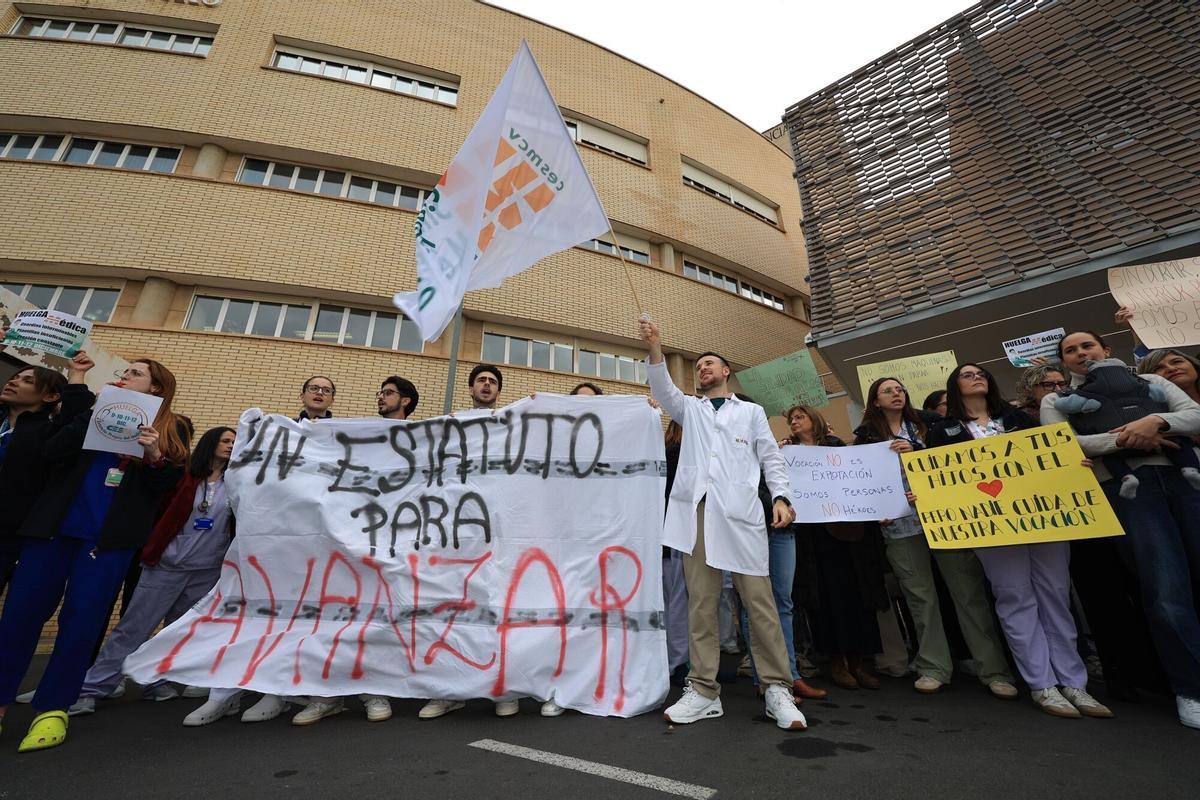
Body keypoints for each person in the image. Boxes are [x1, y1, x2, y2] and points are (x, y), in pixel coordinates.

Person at [0, 353, 189, 751]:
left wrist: (153, 456)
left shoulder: (167, 434)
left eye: (135, 374)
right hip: (52, 532)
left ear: (156, 389)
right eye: (123, 373)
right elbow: (49, 453)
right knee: (18, 617)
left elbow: (167, 489)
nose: (124, 377)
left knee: (81, 624)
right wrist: (93, 414)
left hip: (106, 543)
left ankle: (54, 708)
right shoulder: (87, 414)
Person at [639, 317, 807, 730]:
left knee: (760, 602)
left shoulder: (750, 412)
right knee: (701, 603)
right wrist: (656, 347)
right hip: (696, 510)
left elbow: (771, 458)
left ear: (726, 371)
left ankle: (776, 689)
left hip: (742, 513)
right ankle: (703, 690)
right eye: (698, 366)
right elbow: (663, 390)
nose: (703, 369)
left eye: (710, 363)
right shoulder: (690, 409)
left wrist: (782, 496)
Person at [929, 363, 1111, 719]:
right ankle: (1041, 683)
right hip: (992, 529)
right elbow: (937, 478)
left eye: (980, 373)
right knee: (1015, 597)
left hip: (1044, 521)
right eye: (967, 375)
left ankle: (1075, 682)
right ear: (954, 387)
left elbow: (1052, 456)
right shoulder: (942, 431)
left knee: (1055, 595)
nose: (977, 377)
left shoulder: (1019, 420)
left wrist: (1075, 466)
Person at [1045, 331, 1200, 730]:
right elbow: (1064, 443)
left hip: (1187, 483)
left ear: (1105, 351)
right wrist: (1127, 437)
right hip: (1127, 492)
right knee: (1165, 589)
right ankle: (1191, 688)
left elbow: (1194, 413)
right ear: (1065, 362)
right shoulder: (1057, 400)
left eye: (1087, 346)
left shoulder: (1152, 382)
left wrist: (1156, 419)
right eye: (1071, 351)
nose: (1081, 353)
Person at [855, 376, 1018, 700]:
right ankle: (933, 667)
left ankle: (994, 670)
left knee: (967, 594)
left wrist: (916, 450)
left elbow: (953, 461)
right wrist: (877, 507)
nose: (896, 393)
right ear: (875, 401)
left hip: (945, 520)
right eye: (887, 391)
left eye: (900, 388)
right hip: (900, 526)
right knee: (920, 598)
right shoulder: (865, 438)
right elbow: (863, 481)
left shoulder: (933, 424)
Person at [74, 427, 237, 715]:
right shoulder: (184, 476)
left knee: (177, 632)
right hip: (167, 565)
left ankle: (155, 682)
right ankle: (94, 687)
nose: (231, 445)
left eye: (235, 442)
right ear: (210, 443)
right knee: (134, 628)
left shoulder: (236, 484)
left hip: (206, 571)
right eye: (225, 440)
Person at [418, 364, 529, 719]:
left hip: (498, 533)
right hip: (457, 536)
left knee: (497, 607)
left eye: (492, 382)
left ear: (499, 391)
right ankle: (449, 691)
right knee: (452, 609)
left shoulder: (511, 426)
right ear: (470, 388)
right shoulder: (451, 427)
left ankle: (503, 690)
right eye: (481, 380)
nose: (486, 385)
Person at [291, 375, 396, 726]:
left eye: (327, 390)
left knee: (366, 620)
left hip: (360, 540)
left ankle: (372, 690)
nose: (320, 394)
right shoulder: (287, 433)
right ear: (303, 394)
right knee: (320, 622)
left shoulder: (344, 434)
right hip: (312, 542)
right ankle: (324, 696)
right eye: (314, 388)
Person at [784, 405, 887, 691]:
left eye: (799, 417)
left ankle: (859, 661)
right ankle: (836, 661)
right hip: (812, 538)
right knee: (826, 599)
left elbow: (856, 479)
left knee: (854, 596)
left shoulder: (835, 446)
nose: (794, 421)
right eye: (791, 419)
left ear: (814, 420)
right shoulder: (788, 452)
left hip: (847, 534)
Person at [736, 400, 829, 703]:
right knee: (755, 605)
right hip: (751, 530)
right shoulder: (730, 446)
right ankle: (765, 677)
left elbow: (785, 482)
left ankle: (790, 675)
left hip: (783, 530)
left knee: (783, 604)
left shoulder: (775, 449)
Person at [0, 365, 67, 594]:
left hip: (8, 534)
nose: (13, 382)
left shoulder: (48, 435)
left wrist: (77, 374)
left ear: (51, 396)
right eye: (15, 377)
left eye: (27, 381)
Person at [662, 420, 690, 684]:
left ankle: (675, 660)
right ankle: (678, 662)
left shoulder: (665, 452)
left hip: (664, 538)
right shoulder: (678, 453)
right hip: (676, 537)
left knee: (673, 600)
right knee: (678, 601)